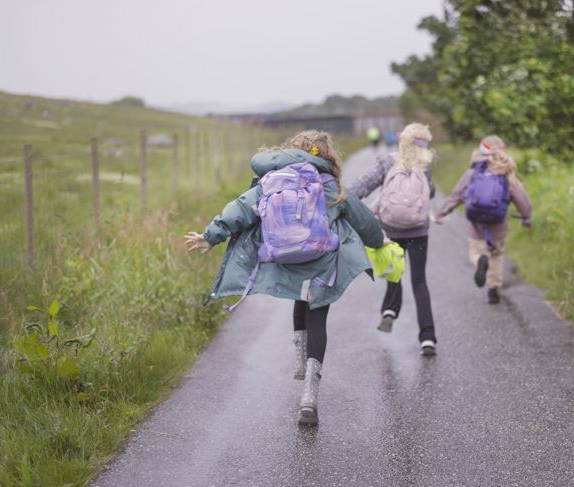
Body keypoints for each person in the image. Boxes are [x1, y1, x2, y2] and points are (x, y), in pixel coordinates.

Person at [184, 130, 384, 425]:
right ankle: (310, 396)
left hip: (286, 258)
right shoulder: (330, 186)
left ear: (292, 151)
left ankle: (299, 361)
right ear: (327, 154)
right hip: (322, 264)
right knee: (318, 315)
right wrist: (380, 242)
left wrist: (210, 236)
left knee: (298, 297)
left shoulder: (273, 181)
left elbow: (241, 208)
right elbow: (363, 220)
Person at [351, 123, 438, 356]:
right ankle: (428, 337)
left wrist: (342, 201)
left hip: (390, 228)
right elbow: (430, 191)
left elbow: (361, 187)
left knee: (394, 272)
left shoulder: (387, 161)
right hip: (419, 229)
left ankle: (389, 309)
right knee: (419, 282)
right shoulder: (426, 163)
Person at [435, 135, 532, 304]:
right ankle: (493, 290)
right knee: (497, 255)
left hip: (477, 226)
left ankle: (480, 260)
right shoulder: (506, 172)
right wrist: (526, 218)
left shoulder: (473, 172)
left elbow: (457, 195)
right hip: (499, 226)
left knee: (476, 251)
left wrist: (442, 212)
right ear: (503, 151)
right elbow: (522, 199)